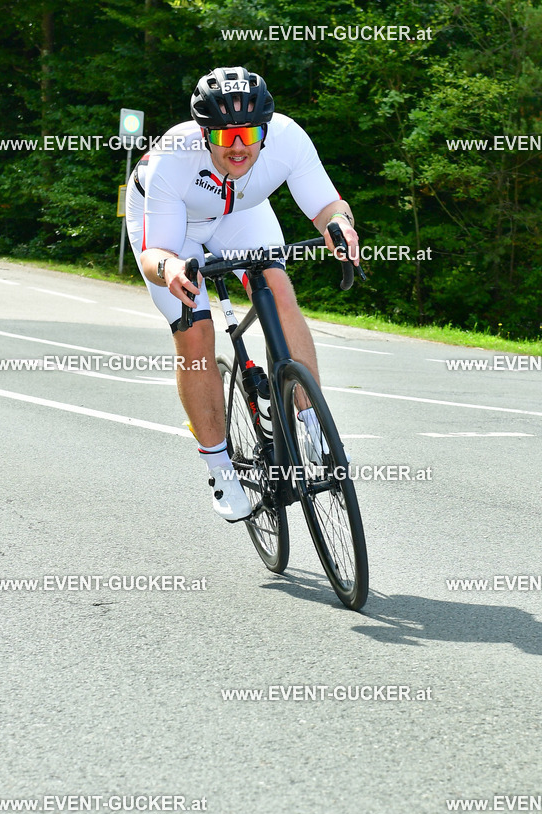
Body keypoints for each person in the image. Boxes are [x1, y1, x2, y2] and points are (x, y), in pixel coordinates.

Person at [125, 65, 359, 521]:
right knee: (195, 331)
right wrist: (171, 269)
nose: (237, 147)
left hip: (240, 214)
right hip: (172, 227)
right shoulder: (174, 157)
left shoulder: (288, 139)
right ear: (204, 133)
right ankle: (219, 467)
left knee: (278, 290)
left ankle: (314, 428)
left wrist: (339, 225)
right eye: (224, 135)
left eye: (249, 133)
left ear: (265, 130)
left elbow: (328, 207)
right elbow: (156, 253)